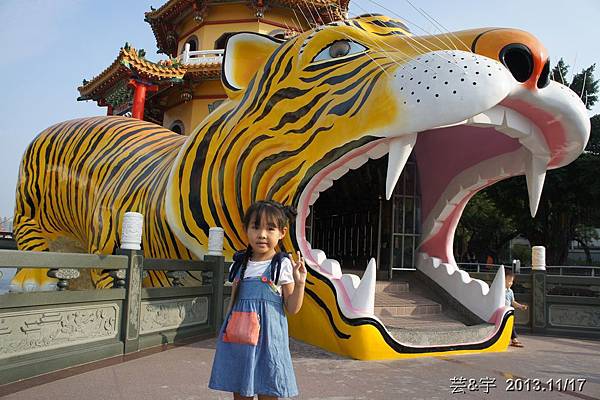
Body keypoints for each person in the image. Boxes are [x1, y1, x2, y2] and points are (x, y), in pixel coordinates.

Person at [209, 200, 306, 399]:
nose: (262, 234)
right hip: (241, 342)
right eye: (255, 227)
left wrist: (300, 283)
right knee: (240, 392)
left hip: (269, 344)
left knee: (268, 391)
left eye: (270, 228)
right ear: (246, 229)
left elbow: (293, 307)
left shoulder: (282, 265)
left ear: (282, 232)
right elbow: (232, 307)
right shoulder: (239, 265)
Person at [505, 270, 528, 347]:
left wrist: (520, 306)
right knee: (509, 325)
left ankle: (513, 339)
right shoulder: (499, 290)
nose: (510, 283)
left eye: (512, 281)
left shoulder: (510, 291)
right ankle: (514, 339)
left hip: (509, 312)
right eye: (509, 281)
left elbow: (513, 302)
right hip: (502, 312)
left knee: (511, 324)